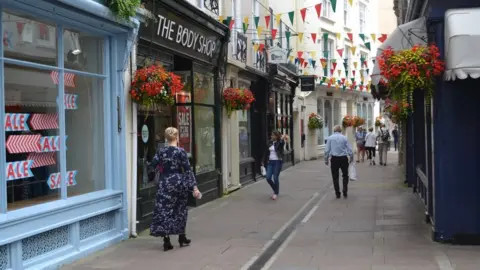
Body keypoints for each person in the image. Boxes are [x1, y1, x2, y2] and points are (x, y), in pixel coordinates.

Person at [149, 127, 202, 251]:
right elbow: (188, 171)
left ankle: (166, 241)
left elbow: (152, 166)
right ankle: (181, 236)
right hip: (179, 183)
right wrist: (194, 187)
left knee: (164, 211)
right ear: (177, 138)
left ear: (166, 138)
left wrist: (157, 174)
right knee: (180, 210)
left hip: (164, 184)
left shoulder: (161, 152)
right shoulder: (181, 152)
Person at [325, 125, 354, 198]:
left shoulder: (330, 138)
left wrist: (326, 159)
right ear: (341, 131)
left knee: (335, 177)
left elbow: (327, 150)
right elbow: (349, 149)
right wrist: (351, 157)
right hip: (343, 158)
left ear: (334, 130)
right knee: (345, 175)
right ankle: (345, 190)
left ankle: (337, 193)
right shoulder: (344, 138)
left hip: (334, 159)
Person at [262, 131, 286, 200]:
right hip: (270, 162)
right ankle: (276, 190)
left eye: (273, 135)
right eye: (271, 135)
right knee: (268, 177)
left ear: (276, 136)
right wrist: (263, 161)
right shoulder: (269, 142)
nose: (271, 136)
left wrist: (282, 139)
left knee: (275, 177)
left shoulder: (280, 142)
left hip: (277, 162)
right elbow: (266, 152)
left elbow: (281, 144)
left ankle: (275, 193)